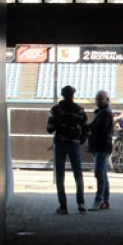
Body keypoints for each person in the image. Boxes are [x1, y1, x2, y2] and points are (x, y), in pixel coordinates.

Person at [46, 85, 88, 214]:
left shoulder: (55, 110)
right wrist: (81, 138)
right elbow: (86, 128)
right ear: (73, 95)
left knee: (60, 175)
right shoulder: (79, 109)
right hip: (74, 143)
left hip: (60, 143)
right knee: (78, 174)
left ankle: (63, 206)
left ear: (62, 94)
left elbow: (49, 128)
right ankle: (81, 203)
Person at [86, 90, 114, 210]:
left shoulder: (105, 113)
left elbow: (98, 128)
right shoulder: (102, 112)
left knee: (99, 173)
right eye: (97, 99)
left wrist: (87, 129)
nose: (98, 102)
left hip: (101, 146)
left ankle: (99, 199)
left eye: (100, 99)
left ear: (106, 100)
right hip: (101, 146)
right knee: (102, 173)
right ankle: (105, 200)